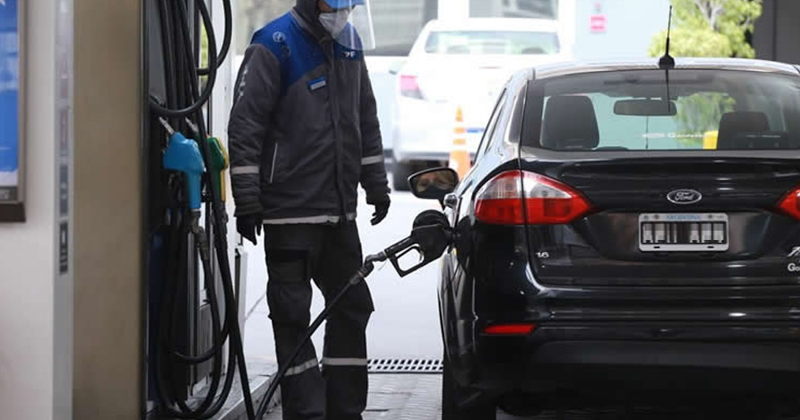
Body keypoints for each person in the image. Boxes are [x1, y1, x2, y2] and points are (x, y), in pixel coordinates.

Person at [227, 0, 390, 418]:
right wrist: (247, 201)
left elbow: (364, 117)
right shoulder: (273, 46)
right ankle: (306, 412)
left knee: (352, 308)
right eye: (335, 4)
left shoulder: (349, 42)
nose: (343, 13)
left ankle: (344, 409)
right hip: (290, 214)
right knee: (293, 314)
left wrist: (376, 185)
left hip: (339, 216)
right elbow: (246, 127)